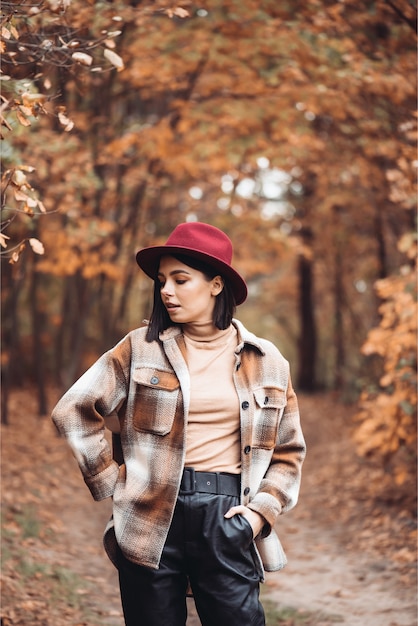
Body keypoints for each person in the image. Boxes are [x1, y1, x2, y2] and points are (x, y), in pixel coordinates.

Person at [51, 221, 306, 626]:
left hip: (227, 518)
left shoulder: (267, 360)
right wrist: (111, 484)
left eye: (180, 279)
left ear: (216, 285)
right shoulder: (140, 348)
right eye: (162, 280)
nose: (166, 290)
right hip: (150, 517)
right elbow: (74, 409)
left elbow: (289, 452)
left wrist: (259, 514)